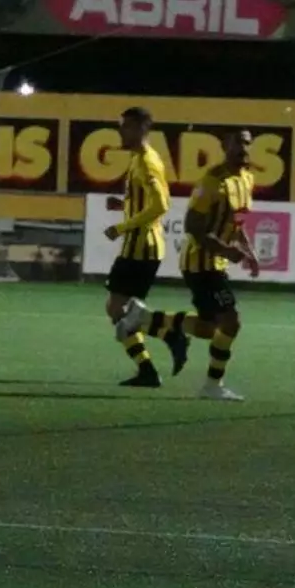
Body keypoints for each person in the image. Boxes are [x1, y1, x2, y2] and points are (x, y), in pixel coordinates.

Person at [118, 128, 261, 401]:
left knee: (208, 328)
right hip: (200, 262)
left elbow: (236, 222)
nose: (243, 148)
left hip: (215, 262)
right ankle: (212, 386)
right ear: (225, 145)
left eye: (247, 143)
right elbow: (193, 226)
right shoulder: (211, 182)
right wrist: (225, 249)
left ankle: (144, 318)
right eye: (237, 142)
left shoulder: (247, 178)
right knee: (231, 322)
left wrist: (249, 252)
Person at [101, 107, 185, 388]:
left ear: (140, 129)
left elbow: (161, 205)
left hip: (141, 247)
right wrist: (124, 204)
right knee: (120, 309)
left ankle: (168, 336)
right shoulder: (140, 158)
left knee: (117, 309)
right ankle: (148, 367)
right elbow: (147, 201)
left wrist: (122, 227)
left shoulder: (147, 162)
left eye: (125, 126)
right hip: (139, 247)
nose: (120, 131)